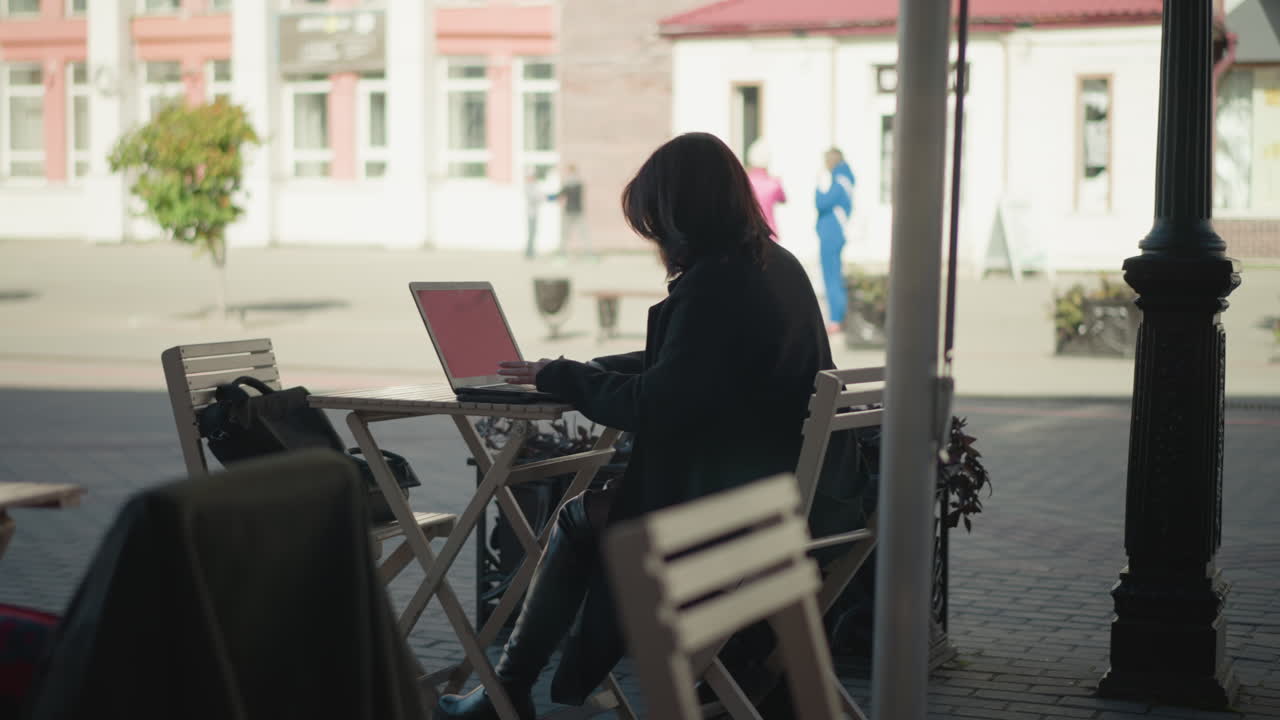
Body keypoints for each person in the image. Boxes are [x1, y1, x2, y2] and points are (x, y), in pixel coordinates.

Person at [435, 132, 834, 720]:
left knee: (581, 517)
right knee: (602, 506)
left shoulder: (715, 284)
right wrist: (577, 371)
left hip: (727, 512)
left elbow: (655, 403)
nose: (656, 242)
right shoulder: (776, 266)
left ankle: (506, 692)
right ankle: (516, 689)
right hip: (784, 498)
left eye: (655, 226)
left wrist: (570, 379)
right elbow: (691, 366)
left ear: (681, 216)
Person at [815, 147, 855, 335]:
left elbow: (822, 203)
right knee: (834, 275)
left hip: (832, 232)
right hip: (835, 232)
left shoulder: (838, 181)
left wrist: (818, 187)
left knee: (831, 276)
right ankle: (838, 317)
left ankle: (836, 319)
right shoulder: (844, 179)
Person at [745, 139, 786, 240]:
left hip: (749, 232)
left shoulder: (744, 180)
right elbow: (783, 199)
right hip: (769, 234)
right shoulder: (773, 183)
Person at [550, 164, 589, 257]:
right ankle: (588, 253)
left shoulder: (568, 184)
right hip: (578, 211)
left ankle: (562, 254)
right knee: (583, 233)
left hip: (569, 211)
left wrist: (548, 198)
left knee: (565, 234)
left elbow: (559, 195)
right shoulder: (580, 184)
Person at [524, 169, 542, 260]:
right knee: (531, 232)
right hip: (531, 213)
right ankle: (529, 252)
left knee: (533, 232)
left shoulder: (535, 186)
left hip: (535, 213)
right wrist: (539, 198)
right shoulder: (528, 187)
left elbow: (540, 197)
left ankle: (531, 251)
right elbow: (534, 198)